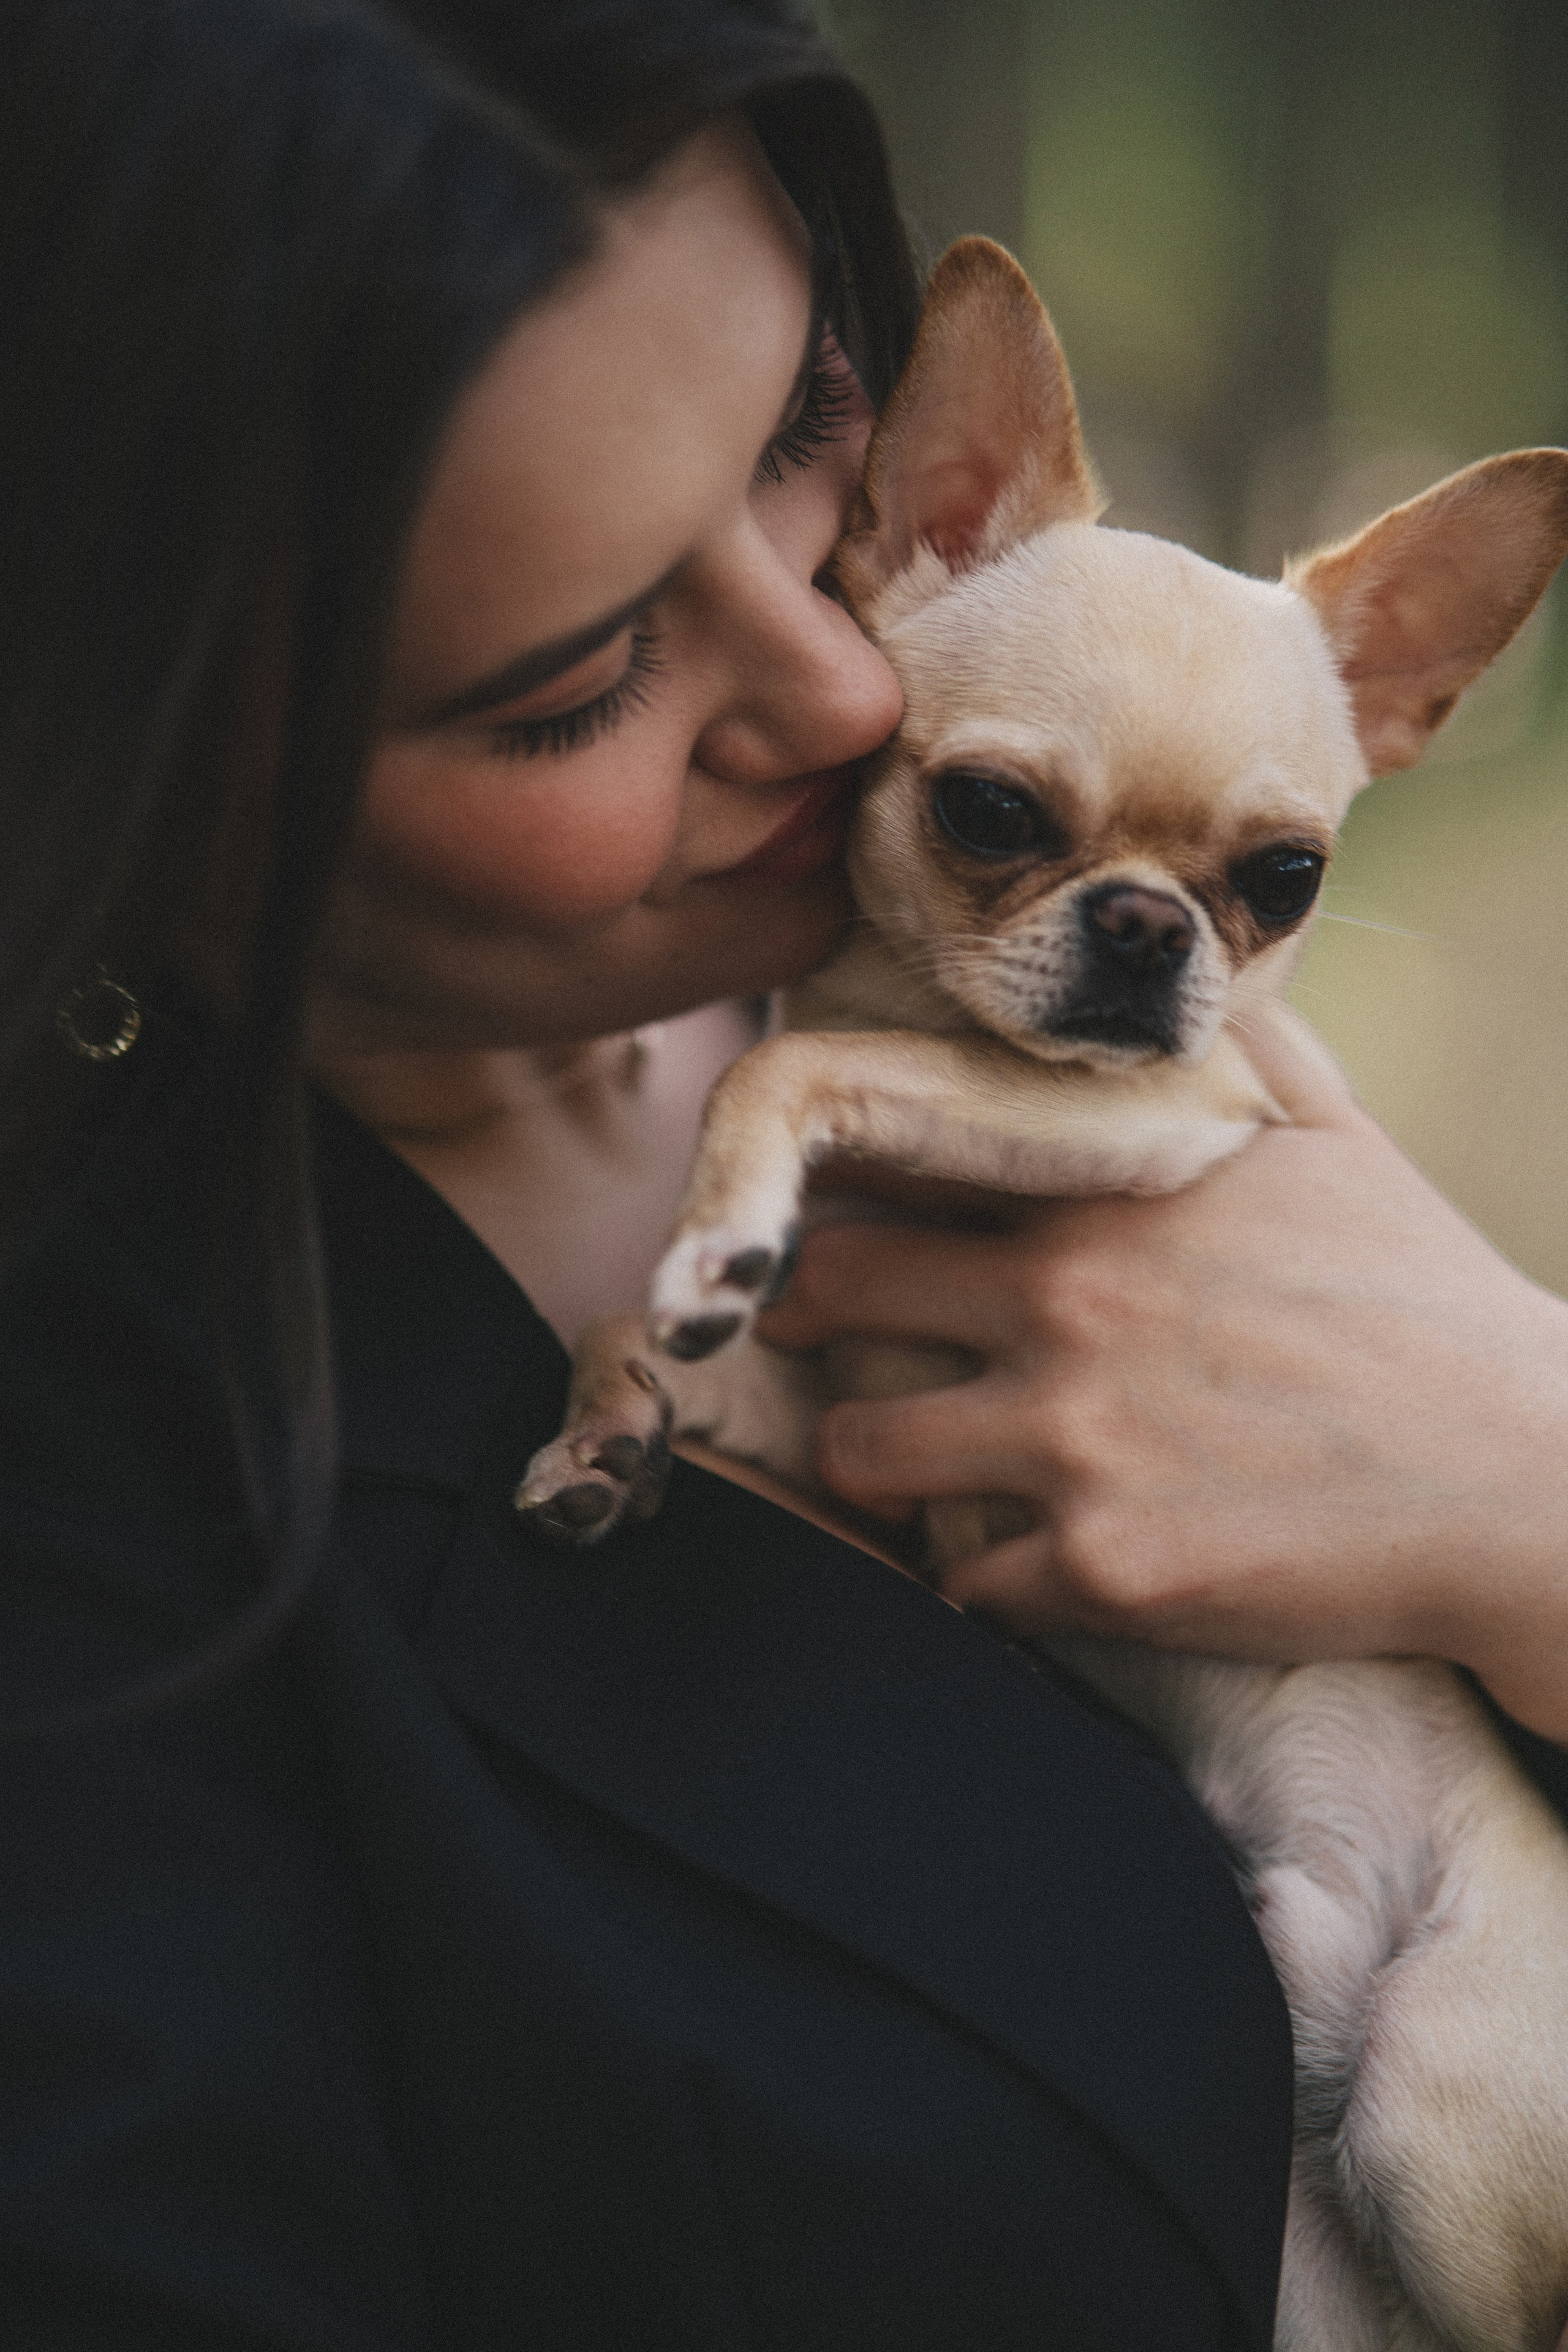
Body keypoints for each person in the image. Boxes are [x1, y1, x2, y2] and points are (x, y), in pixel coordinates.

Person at [1, 4, 1562, 2348]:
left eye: (810, 442)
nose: (851, 689)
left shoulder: (1049, 1007)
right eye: (572, 679)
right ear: (106, 765)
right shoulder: (98, 1549)